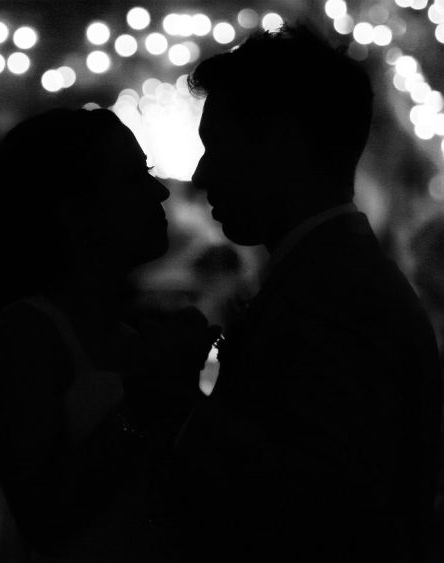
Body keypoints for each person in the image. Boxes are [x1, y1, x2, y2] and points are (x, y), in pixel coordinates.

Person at [173, 25, 442, 562]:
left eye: (217, 146)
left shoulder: (337, 295)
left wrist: (176, 403)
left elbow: (318, 510)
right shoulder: (332, 274)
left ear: (281, 143)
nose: (201, 175)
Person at [0, 108, 215, 562]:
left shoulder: (123, 331)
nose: (161, 191)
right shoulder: (26, 334)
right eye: (133, 177)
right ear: (73, 209)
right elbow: (43, 514)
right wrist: (144, 403)